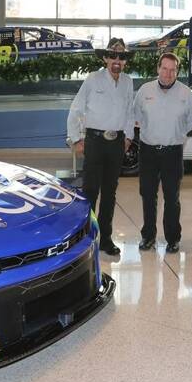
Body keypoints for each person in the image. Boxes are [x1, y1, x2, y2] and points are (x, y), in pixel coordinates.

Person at [67, 38, 134, 256]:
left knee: (110, 193)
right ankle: (86, 239)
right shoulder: (93, 79)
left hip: (116, 143)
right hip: (94, 142)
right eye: (113, 56)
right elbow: (76, 109)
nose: (117, 60)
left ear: (125, 61)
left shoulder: (128, 82)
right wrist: (76, 138)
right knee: (90, 192)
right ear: (105, 58)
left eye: (121, 57)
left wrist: (128, 137)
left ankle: (105, 238)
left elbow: (129, 112)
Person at [133, 52, 192, 253]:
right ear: (158, 68)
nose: (168, 73)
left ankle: (173, 238)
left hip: (173, 152)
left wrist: (176, 133)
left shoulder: (186, 94)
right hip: (148, 151)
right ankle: (148, 236)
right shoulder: (144, 91)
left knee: (172, 197)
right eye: (165, 68)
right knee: (148, 195)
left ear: (177, 71)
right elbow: (137, 116)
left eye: (173, 70)